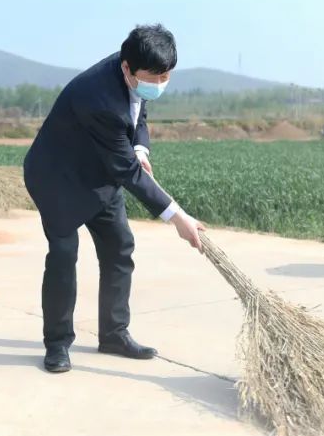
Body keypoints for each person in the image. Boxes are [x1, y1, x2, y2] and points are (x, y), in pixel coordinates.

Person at [23, 24, 204, 374]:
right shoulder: (98, 98)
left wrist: (140, 146)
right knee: (64, 256)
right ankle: (57, 344)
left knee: (120, 245)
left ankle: (114, 333)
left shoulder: (135, 73)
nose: (161, 83)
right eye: (155, 77)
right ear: (127, 68)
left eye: (166, 76)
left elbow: (138, 113)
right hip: (59, 179)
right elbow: (127, 172)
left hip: (100, 175)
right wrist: (177, 217)